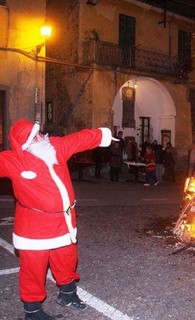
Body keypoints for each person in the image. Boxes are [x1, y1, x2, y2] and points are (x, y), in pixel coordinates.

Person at [0, 118, 117, 320]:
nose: (40, 137)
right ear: (24, 144)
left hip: (63, 223)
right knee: (33, 268)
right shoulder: (13, 160)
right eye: (33, 137)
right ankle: (33, 311)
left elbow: (79, 139)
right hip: (34, 229)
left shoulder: (55, 147)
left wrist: (102, 135)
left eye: (38, 132)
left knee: (66, 259)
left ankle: (68, 295)